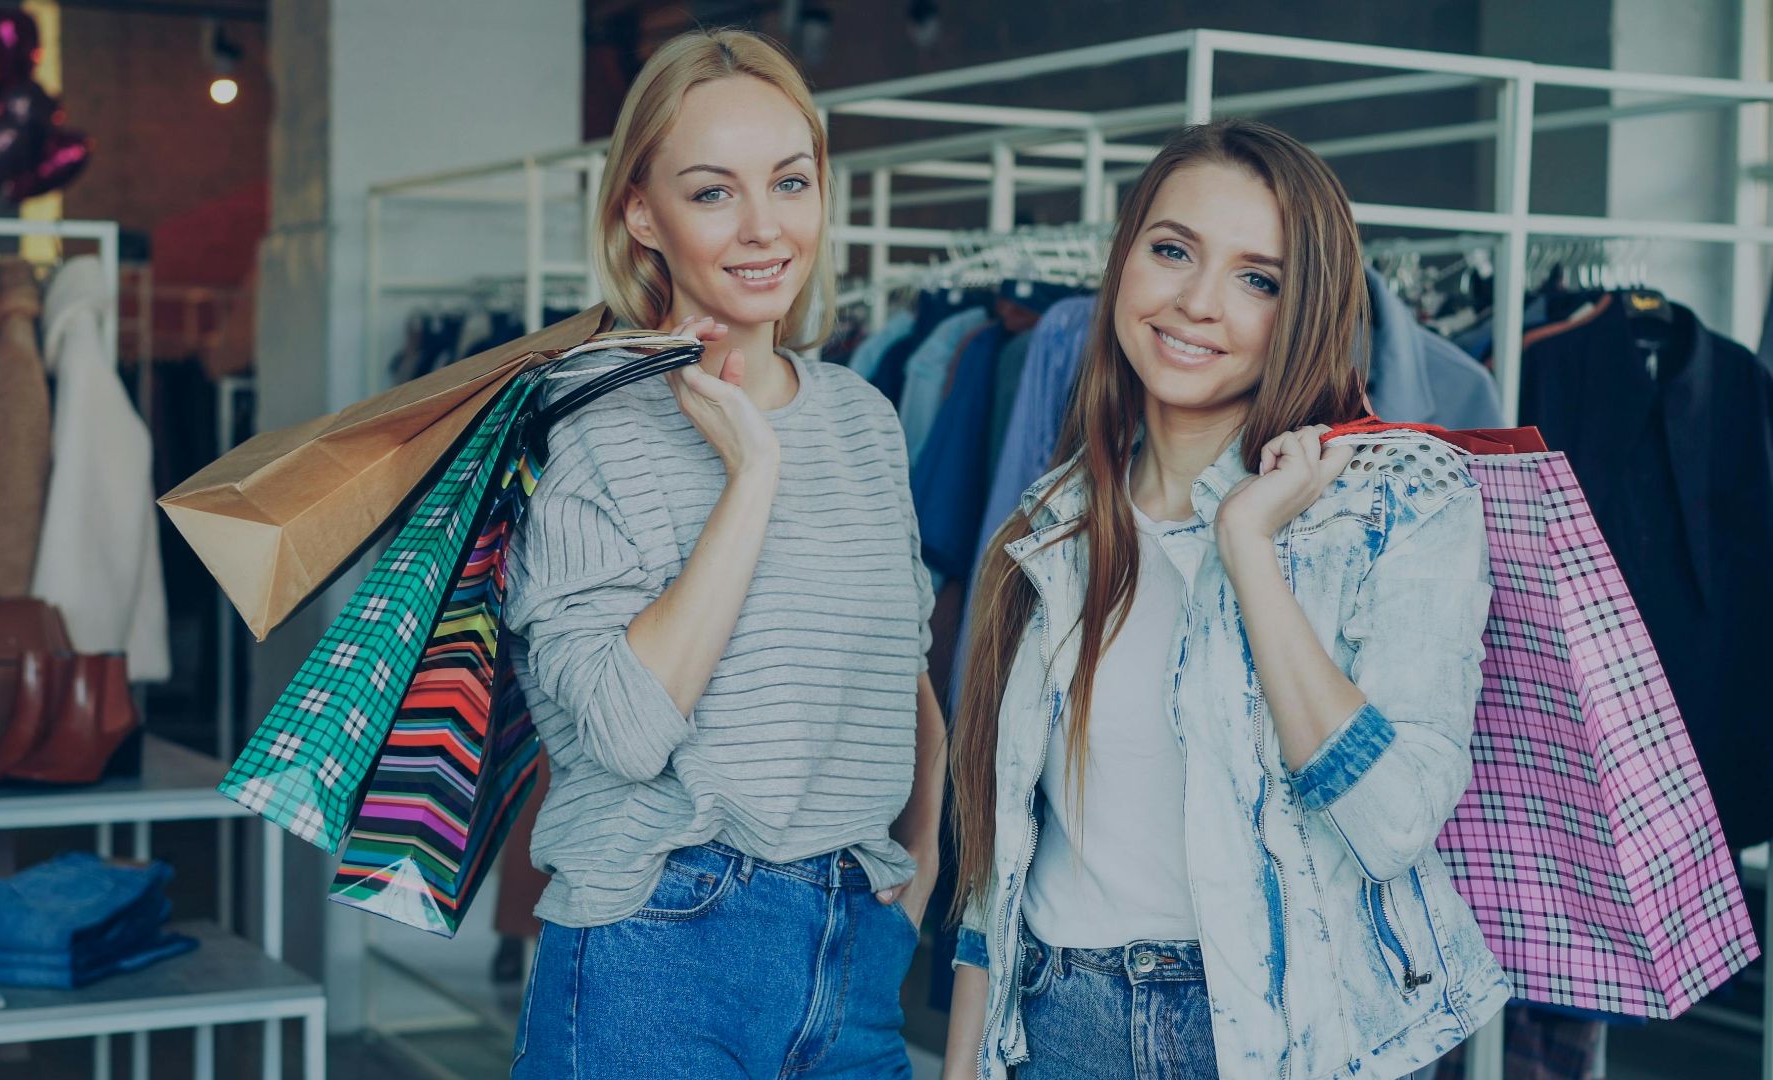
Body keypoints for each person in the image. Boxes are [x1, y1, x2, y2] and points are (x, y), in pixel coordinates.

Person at [942, 119, 1511, 1080]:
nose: (1198, 303)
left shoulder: (1398, 502)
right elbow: (999, 869)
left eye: (1259, 279)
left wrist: (1246, 546)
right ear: (1125, 263)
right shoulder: (1054, 521)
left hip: (1293, 1035)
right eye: (1172, 252)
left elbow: (1395, 821)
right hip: (1060, 1027)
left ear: (1309, 309)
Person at [505, 28, 945, 1079]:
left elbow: (905, 678)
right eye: (713, 193)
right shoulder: (586, 426)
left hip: (852, 951)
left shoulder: (863, 418)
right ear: (641, 213)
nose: (763, 228)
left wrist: (916, 875)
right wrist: (749, 477)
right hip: (657, 946)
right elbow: (623, 729)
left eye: (790, 182)